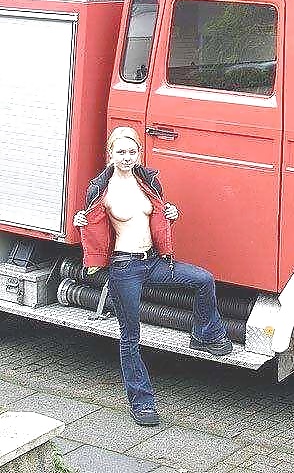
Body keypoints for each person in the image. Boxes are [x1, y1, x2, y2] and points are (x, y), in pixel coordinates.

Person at [73, 126, 232, 427]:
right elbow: (89, 220)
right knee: (131, 336)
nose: (127, 157)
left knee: (203, 279)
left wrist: (171, 212)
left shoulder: (148, 181)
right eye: (120, 152)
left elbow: (158, 212)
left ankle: (205, 334)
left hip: (155, 262)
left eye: (132, 152)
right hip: (124, 268)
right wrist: (80, 220)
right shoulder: (100, 189)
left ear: (138, 153)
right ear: (110, 154)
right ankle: (141, 402)